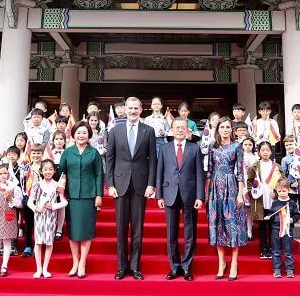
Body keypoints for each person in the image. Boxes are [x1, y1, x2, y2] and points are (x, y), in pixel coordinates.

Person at [105, 97, 156, 281]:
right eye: (130, 108)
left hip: (141, 185)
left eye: (136, 108)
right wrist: (109, 184)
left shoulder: (148, 131)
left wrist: (151, 184)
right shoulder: (115, 130)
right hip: (119, 185)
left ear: (141, 110)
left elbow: (153, 161)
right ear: (124, 109)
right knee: (120, 228)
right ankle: (121, 266)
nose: (133, 111)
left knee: (137, 228)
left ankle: (135, 266)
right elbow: (109, 159)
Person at [156, 118, 204, 281]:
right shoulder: (164, 148)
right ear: (171, 130)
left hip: (189, 194)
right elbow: (159, 172)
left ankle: (187, 266)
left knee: (190, 231)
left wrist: (200, 196)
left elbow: (199, 174)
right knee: (172, 232)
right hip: (169, 193)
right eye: (177, 128)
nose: (180, 130)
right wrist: (159, 195)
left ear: (188, 130)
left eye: (183, 128)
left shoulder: (194, 148)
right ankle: (175, 266)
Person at [59, 121, 103, 278]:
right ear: (73, 134)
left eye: (84, 132)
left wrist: (99, 195)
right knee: (73, 232)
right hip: (71, 197)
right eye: (78, 132)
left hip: (88, 196)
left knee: (85, 231)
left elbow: (99, 175)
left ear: (89, 134)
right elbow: (60, 172)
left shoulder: (94, 153)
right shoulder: (67, 152)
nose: (81, 135)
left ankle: (83, 262)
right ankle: (75, 262)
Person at [206, 117, 247, 281]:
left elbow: (240, 172)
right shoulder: (212, 147)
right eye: (222, 127)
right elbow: (209, 170)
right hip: (215, 187)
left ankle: (234, 263)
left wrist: (240, 193)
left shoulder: (237, 146)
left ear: (232, 129)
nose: (225, 129)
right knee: (217, 224)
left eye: (228, 127)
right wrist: (207, 192)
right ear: (218, 129)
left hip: (231, 187)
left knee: (233, 225)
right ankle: (221, 263)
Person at [28, 159, 68, 278]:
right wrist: (36, 208)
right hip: (39, 216)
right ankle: (38, 269)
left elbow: (64, 202)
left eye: (50, 169)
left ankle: (45, 268)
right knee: (38, 242)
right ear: (41, 171)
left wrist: (54, 206)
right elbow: (30, 201)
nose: (48, 172)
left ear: (54, 170)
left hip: (51, 217)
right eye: (45, 169)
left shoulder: (58, 185)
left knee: (49, 243)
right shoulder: (37, 185)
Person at [0, 163, 23, 278]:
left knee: (7, 241)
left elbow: (19, 204)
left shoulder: (15, 188)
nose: (3, 175)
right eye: (1, 173)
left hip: (9, 216)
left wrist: (10, 198)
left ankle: (4, 265)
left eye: (5, 173)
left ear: (10, 174)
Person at [247, 141, 279, 260]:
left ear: (271, 152)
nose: (265, 152)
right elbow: (249, 181)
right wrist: (253, 192)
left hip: (272, 199)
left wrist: (276, 192)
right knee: (261, 225)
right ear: (259, 152)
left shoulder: (276, 166)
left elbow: (282, 182)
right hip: (260, 199)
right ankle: (263, 249)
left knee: (272, 225)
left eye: (267, 150)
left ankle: (273, 248)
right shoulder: (255, 166)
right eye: (263, 150)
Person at [268, 178, 300, 278]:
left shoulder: (292, 203)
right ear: (276, 191)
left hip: (287, 230)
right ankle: (277, 269)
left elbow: (297, 215)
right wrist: (269, 216)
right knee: (276, 250)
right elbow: (271, 214)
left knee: (288, 250)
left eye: (284, 191)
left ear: (288, 190)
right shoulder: (274, 203)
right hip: (276, 229)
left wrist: (292, 220)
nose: (282, 193)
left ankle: (290, 269)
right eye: (279, 191)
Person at [281, 135, 300, 240]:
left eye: (291, 144)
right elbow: (283, 176)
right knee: (291, 210)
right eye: (286, 145)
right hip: (292, 190)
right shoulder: (285, 159)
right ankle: (289, 231)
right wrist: (290, 183)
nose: (289, 146)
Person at [21, 144, 44, 258]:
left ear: (42, 154)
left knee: (40, 224)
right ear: (30, 154)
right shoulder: (26, 167)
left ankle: (38, 246)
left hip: (41, 199)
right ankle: (28, 245)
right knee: (29, 223)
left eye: (38, 153)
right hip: (28, 197)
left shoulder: (45, 167)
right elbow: (22, 183)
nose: (36, 155)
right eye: (34, 153)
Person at [50, 131, 67, 240]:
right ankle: (51, 227)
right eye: (56, 139)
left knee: (61, 204)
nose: (59, 141)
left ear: (65, 141)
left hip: (64, 179)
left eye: (61, 139)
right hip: (50, 179)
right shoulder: (49, 152)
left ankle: (59, 229)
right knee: (51, 203)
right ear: (53, 141)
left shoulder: (68, 152)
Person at [241, 137, 258, 240]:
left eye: (250, 145)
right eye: (245, 144)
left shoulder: (255, 157)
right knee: (241, 208)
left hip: (251, 184)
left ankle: (249, 230)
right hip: (241, 183)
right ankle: (241, 229)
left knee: (249, 209)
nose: (247, 147)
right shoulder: (240, 156)